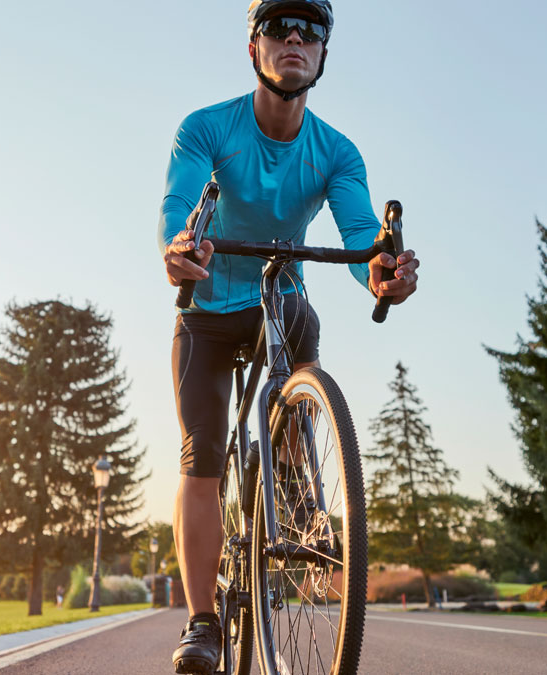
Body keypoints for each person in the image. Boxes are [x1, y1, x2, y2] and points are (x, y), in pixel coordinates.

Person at [158, 1, 419, 672]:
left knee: (307, 324)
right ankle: (202, 620)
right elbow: (178, 206)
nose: (296, 38)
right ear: (255, 49)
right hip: (208, 310)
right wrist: (178, 245)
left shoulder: (337, 152)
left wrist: (381, 272)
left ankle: (296, 472)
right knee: (203, 452)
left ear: (324, 55)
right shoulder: (206, 128)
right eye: (279, 26)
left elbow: (362, 237)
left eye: (312, 28)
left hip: (282, 298)